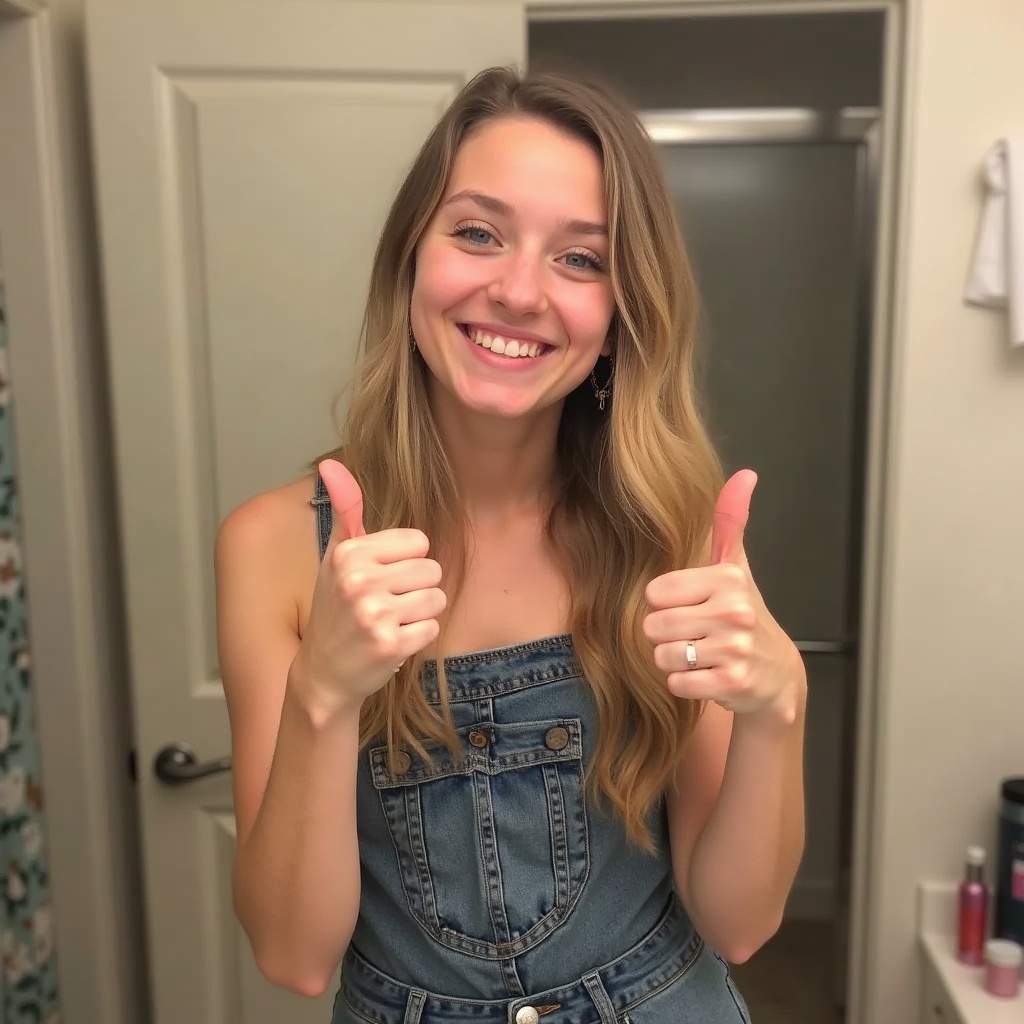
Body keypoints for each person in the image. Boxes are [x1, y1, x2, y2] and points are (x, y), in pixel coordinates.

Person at [214, 65, 807, 1024]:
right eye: (479, 233)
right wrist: (322, 696)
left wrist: (780, 709)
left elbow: (738, 924)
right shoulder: (274, 548)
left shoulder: (676, 537)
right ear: (412, 257)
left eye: (581, 259)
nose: (519, 290)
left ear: (620, 319)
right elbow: (293, 955)